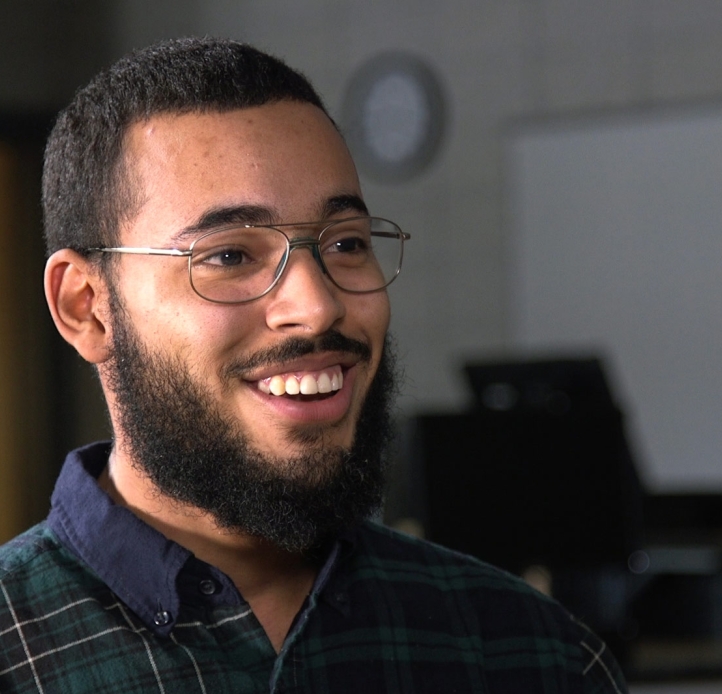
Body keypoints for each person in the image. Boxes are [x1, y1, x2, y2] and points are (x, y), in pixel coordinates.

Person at [0, 37, 627, 693]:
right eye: (230, 256)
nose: (319, 305)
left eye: (347, 243)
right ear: (87, 308)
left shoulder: (532, 658)